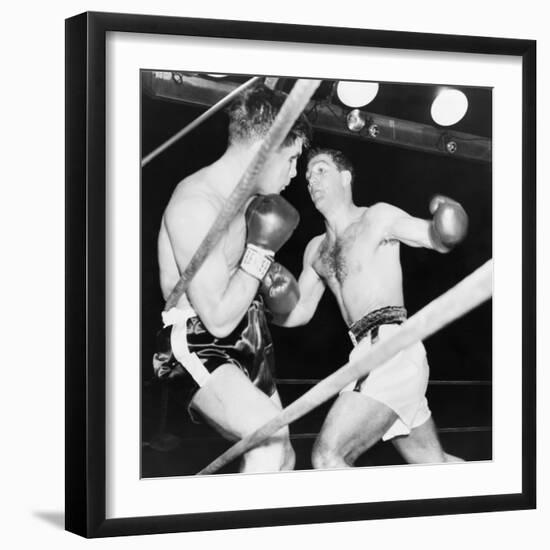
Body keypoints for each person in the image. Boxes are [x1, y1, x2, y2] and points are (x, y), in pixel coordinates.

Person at [152, 83, 311, 473]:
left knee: (285, 456)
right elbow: (219, 318)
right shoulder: (195, 204)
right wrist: (261, 254)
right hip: (201, 339)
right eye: (291, 159)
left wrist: (265, 273)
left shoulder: (246, 206)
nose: (294, 173)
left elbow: (238, 283)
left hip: (250, 333)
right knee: (267, 443)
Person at [276, 148, 468, 468]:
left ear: (345, 177)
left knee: (328, 457)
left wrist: (447, 224)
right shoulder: (316, 249)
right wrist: (265, 299)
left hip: (391, 348)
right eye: (308, 177)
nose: (311, 181)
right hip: (363, 352)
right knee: (435, 466)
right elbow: (298, 313)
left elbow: (431, 237)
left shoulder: (376, 217)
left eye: (321, 170)